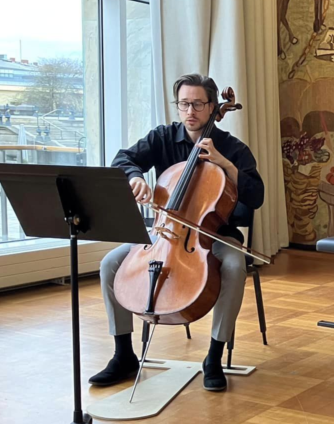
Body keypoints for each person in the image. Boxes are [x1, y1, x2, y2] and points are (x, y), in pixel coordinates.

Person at [90, 73, 264, 392]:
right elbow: (124, 158)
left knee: (234, 266)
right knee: (110, 264)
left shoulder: (233, 148)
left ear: (212, 106)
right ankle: (124, 354)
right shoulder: (163, 137)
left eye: (197, 104)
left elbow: (256, 196)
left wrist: (226, 165)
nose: (190, 111)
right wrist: (134, 177)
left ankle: (213, 356)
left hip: (216, 234)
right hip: (164, 232)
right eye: (184, 104)